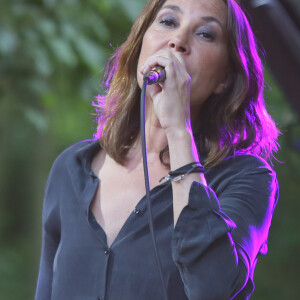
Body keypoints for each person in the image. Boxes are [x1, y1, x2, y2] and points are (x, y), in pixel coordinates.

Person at [35, 0, 279, 299]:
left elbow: (210, 288)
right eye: (167, 22)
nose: (177, 41)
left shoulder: (246, 178)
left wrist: (178, 130)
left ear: (224, 79)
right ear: (140, 45)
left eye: (205, 33)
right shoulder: (71, 168)